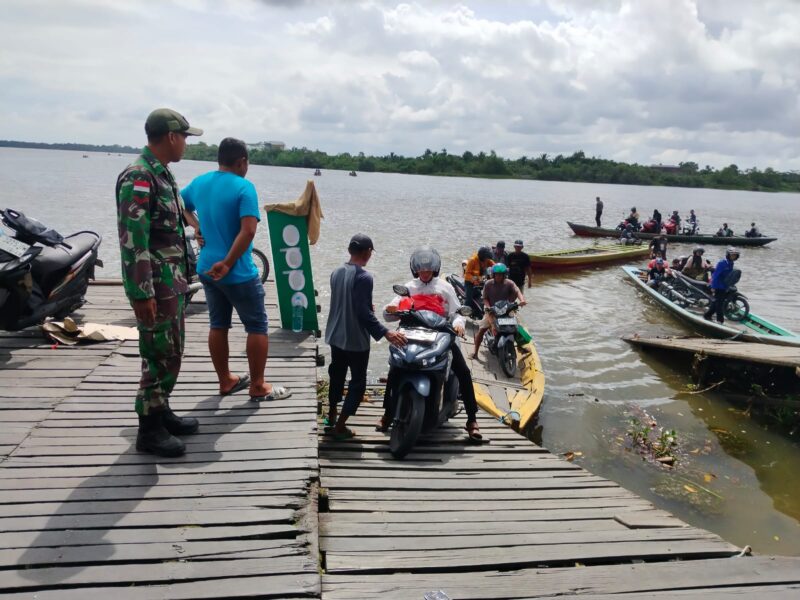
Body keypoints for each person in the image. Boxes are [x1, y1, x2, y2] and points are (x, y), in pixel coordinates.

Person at [115, 107, 203, 457]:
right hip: (155, 286)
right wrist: (141, 293)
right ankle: (149, 429)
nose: (186, 144)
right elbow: (133, 241)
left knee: (170, 350)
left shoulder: (162, 174)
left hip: (172, 284)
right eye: (184, 137)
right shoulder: (139, 176)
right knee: (157, 354)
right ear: (170, 137)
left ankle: (161, 409)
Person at [181, 138, 289, 404]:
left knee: (218, 324)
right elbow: (249, 230)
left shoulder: (200, 182)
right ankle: (258, 386)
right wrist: (228, 262)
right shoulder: (244, 187)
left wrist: (195, 226)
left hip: (206, 268)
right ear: (242, 162)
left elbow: (179, 205)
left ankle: (225, 380)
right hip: (237, 272)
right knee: (257, 326)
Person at [381, 247, 482, 441]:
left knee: (463, 371)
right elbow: (388, 313)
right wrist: (391, 309)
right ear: (415, 270)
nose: (425, 273)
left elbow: (457, 312)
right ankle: (387, 414)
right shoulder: (409, 287)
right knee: (395, 369)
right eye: (421, 270)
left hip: (440, 333)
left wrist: (459, 325)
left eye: (428, 270)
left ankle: (472, 419)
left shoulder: (445, 287)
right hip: (411, 333)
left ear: (434, 270)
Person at [325, 234, 407, 439]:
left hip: (335, 334)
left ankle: (332, 414)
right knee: (358, 383)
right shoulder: (364, 277)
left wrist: (365, 307)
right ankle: (340, 427)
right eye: (370, 251)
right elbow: (362, 312)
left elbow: (347, 302)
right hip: (354, 340)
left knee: (336, 375)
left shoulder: (336, 272)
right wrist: (386, 331)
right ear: (366, 252)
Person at [472, 263, 526, 358]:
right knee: (482, 329)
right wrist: (488, 307)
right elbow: (484, 298)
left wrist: (522, 300)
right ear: (493, 274)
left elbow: (517, 291)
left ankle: (520, 347)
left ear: (504, 275)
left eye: (501, 274)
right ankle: (475, 352)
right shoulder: (488, 284)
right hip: (492, 310)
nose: (499, 276)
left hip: (506, 309)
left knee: (517, 327)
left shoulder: (509, 283)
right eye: (497, 274)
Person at [704, 247, 740, 323]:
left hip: (725, 286)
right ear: (728, 255)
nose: (733, 256)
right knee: (720, 304)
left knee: (717, 302)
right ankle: (720, 320)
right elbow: (715, 275)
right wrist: (713, 287)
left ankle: (707, 315)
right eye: (732, 255)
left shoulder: (731, 263)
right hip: (718, 286)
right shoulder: (722, 263)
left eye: (735, 255)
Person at [464, 246, 494, 315]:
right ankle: (465, 313)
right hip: (469, 283)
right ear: (482, 256)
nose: (487, 259)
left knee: (483, 296)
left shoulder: (487, 260)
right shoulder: (472, 260)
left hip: (481, 281)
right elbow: (467, 274)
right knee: (469, 300)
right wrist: (476, 279)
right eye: (486, 258)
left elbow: (494, 265)